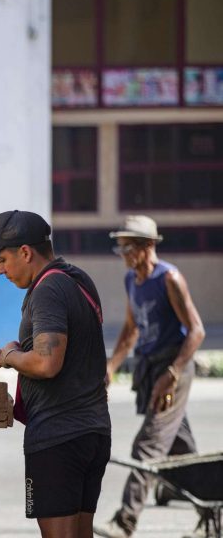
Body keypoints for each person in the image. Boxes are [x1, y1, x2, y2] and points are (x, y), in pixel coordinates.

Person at [0, 210, 111, 538]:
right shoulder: (77, 279)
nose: (0, 270)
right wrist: (10, 355)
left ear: (26, 252)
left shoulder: (48, 289)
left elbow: (48, 364)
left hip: (58, 439)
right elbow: (71, 352)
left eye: (2, 260)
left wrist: (11, 355)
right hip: (93, 433)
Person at [94, 216, 206, 538]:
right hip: (150, 367)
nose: (124, 253)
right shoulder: (133, 280)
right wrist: (112, 366)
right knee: (179, 449)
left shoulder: (168, 278)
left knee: (148, 445)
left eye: (129, 247)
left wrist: (171, 374)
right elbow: (131, 330)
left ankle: (125, 520)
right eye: (121, 247)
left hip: (174, 369)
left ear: (148, 246)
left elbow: (196, 331)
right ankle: (212, 515)